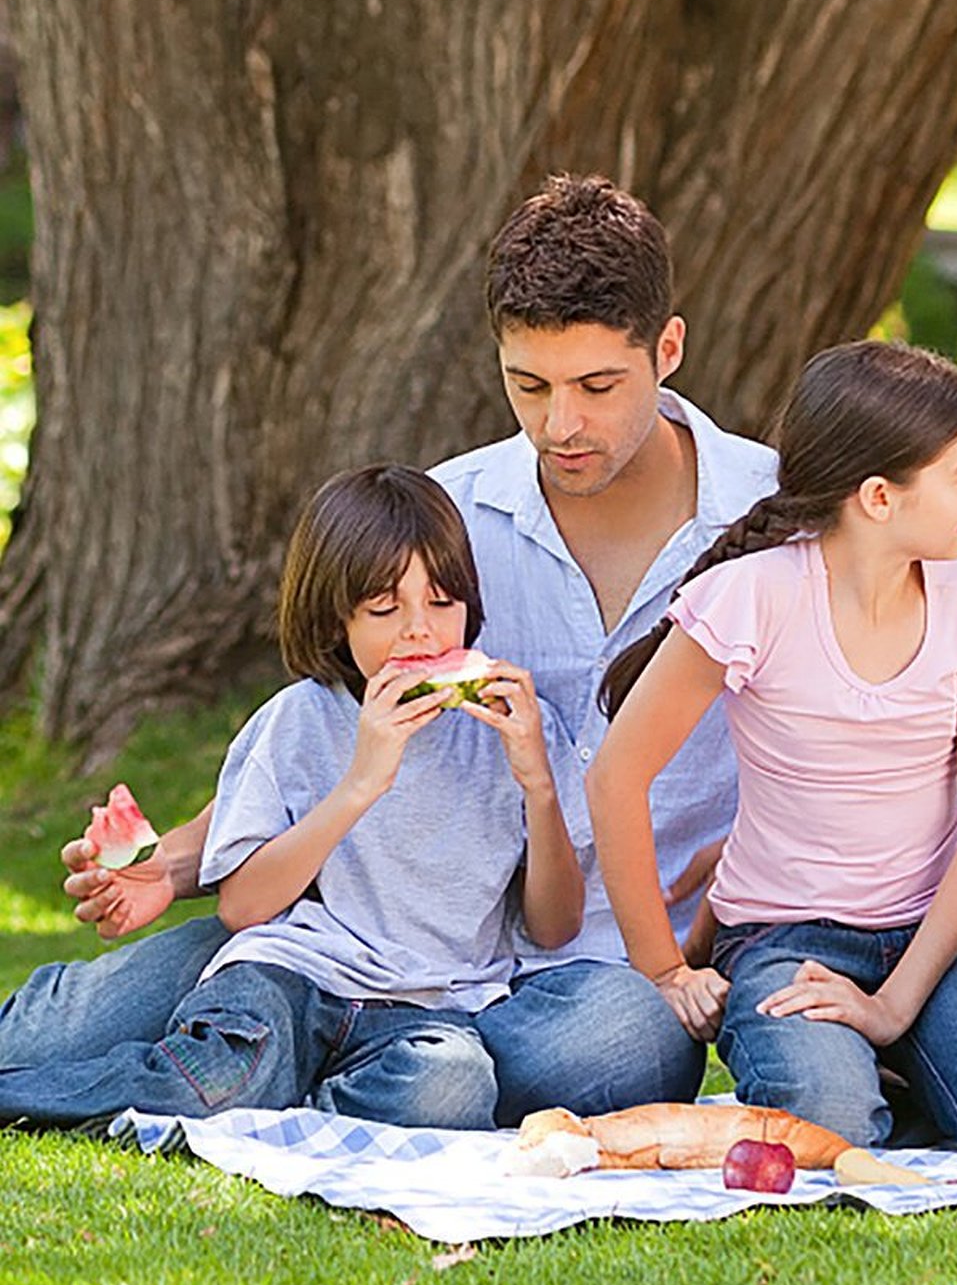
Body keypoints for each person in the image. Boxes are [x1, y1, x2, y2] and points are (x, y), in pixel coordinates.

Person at [9, 174, 777, 1124]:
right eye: (528, 386)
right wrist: (168, 867)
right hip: (353, 923)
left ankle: (323, 1066)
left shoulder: (772, 524)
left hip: (582, 970)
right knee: (64, 1031)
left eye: (597, 387)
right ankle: (284, 1046)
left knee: (625, 1052)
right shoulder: (449, 516)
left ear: (668, 350)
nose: (559, 425)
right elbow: (327, 725)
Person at [588, 341, 957, 1164]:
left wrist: (894, 1007)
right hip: (786, 940)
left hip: (935, 932)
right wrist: (665, 969)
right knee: (830, 1127)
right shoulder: (751, 597)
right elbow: (616, 776)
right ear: (878, 497)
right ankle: (872, 1076)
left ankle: (900, 1057)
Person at [0, 465, 583, 1128]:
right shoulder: (299, 721)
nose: (421, 632)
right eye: (386, 609)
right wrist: (361, 783)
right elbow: (244, 906)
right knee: (216, 1081)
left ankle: (296, 1112)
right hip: (290, 979)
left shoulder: (514, 735)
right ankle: (30, 1094)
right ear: (337, 622)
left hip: (430, 1009)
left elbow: (554, 926)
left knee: (452, 1089)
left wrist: (537, 784)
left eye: (443, 603)